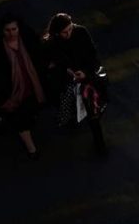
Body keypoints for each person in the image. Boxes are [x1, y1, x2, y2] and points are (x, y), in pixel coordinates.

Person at [42, 13, 107, 155]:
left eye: (70, 29)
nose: (69, 33)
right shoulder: (51, 44)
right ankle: (71, 120)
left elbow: (93, 56)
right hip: (67, 82)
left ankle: (99, 143)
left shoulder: (81, 32)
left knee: (92, 112)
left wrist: (85, 73)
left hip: (85, 79)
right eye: (65, 32)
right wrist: (66, 70)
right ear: (57, 33)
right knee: (69, 105)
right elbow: (51, 65)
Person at [0, 14, 45, 159]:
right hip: (12, 93)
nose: (11, 33)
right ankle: (32, 150)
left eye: (14, 29)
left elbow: (40, 56)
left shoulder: (28, 40)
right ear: (2, 31)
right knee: (21, 119)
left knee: (28, 114)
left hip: (32, 87)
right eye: (7, 30)